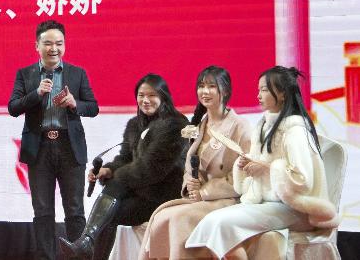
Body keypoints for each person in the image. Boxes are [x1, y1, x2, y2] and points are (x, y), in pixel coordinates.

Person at [185, 66, 339, 259]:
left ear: (282, 94)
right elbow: (258, 171)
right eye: (259, 89)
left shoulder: (295, 131)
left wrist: (266, 169)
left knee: (221, 224)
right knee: (212, 223)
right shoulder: (263, 127)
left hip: (294, 208)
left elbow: (302, 180)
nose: (258, 95)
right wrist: (244, 167)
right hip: (267, 202)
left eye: (264, 90)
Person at [59, 73, 189, 260]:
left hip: (163, 195)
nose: (145, 100)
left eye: (151, 95)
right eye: (141, 95)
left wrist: (116, 176)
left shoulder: (176, 125)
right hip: (140, 190)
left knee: (111, 206)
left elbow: (151, 169)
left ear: (163, 96)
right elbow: (125, 158)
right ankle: (86, 244)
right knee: (108, 212)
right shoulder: (135, 124)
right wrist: (108, 170)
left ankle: (86, 243)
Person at [8, 19, 99, 260]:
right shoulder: (25, 74)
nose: (54, 49)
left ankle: (78, 257)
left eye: (59, 43)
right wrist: (36, 93)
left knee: (75, 210)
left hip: (70, 147)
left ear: (64, 45)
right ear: (37, 46)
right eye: (48, 43)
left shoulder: (77, 73)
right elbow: (13, 107)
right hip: (39, 149)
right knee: (43, 211)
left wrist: (75, 104)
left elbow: (93, 107)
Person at [140, 66, 252, 259]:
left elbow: (245, 175)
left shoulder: (240, 126)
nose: (205, 91)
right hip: (200, 198)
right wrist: (190, 183)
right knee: (160, 217)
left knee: (178, 218)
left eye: (211, 86)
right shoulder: (200, 125)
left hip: (227, 199)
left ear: (225, 90)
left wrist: (205, 191)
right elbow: (190, 164)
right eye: (201, 86)